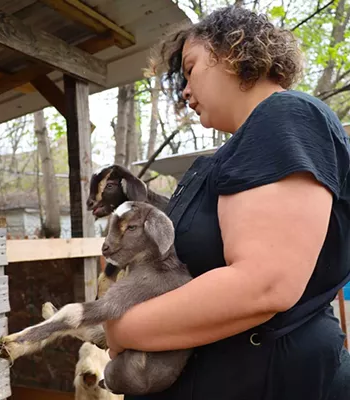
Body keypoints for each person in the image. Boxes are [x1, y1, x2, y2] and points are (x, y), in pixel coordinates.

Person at [104, 5, 350, 400]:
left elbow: (264, 284)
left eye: (190, 67)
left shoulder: (285, 115)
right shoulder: (228, 155)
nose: (184, 92)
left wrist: (118, 326)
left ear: (233, 50)